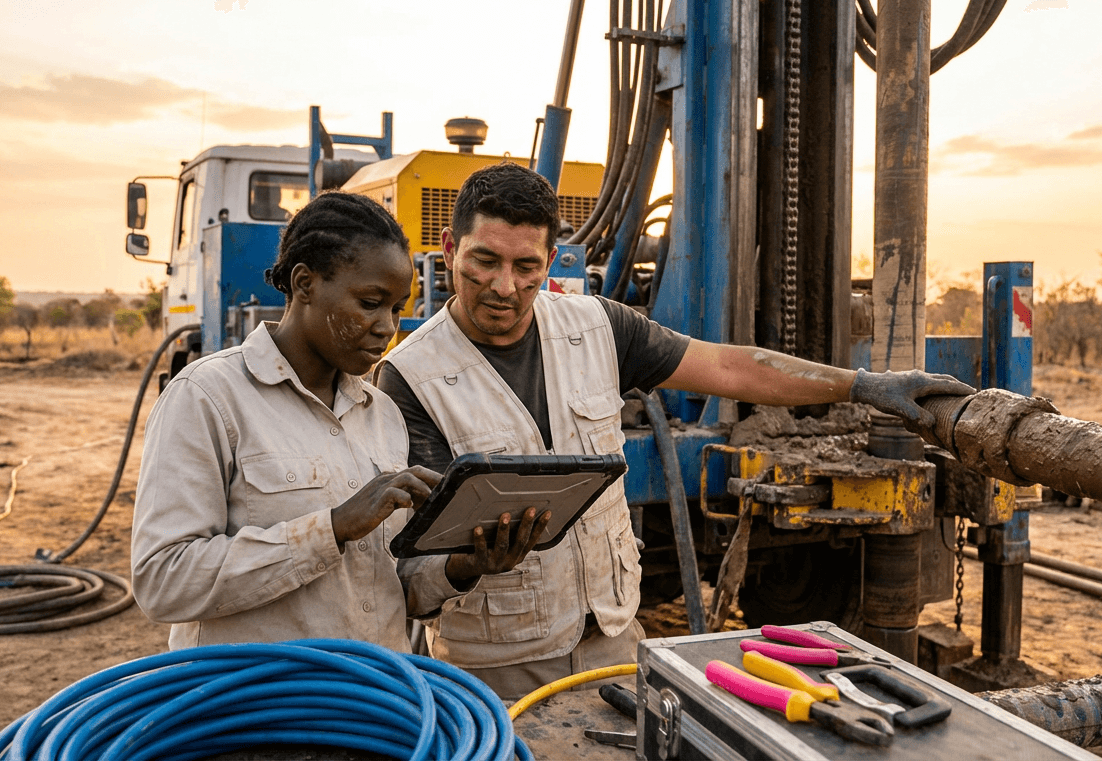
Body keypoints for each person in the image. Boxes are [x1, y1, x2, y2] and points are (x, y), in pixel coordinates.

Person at [376, 162, 974, 698]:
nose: (505, 287)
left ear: (551, 262)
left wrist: (860, 385)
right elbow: (403, 572)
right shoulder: (408, 379)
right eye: (485, 261)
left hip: (613, 643)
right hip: (495, 671)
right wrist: (467, 566)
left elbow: (726, 365)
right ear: (451, 248)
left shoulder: (598, 327)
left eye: (526, 267)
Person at [131, 190, 546, 651]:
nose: (388, 327)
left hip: (372, 699)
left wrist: (464, 566)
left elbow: (383, 589)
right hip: (257, 706)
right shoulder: (208, 399)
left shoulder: (381, 414)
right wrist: (333, 527)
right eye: (370, 303)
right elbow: (161, 582)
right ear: (305, 283)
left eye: (396, 308)